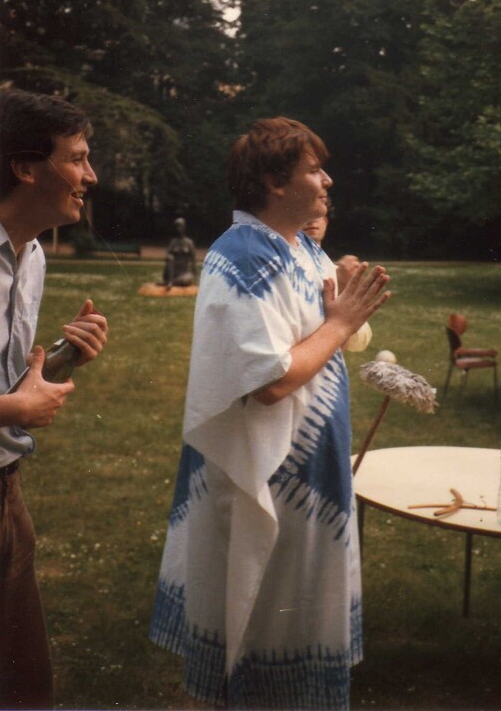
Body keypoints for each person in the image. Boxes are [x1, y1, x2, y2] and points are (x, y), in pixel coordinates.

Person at [150, 117, 391, 710]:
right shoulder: (241, 257)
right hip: (265, 475)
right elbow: (271, 380)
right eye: (315, 169)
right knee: (259, 618)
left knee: (298, 611)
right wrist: (340, 324)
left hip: (307, 472)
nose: (328, 180)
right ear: (275, 182)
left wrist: (343, 314)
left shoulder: (301, 249)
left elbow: (331, 339)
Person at [0, 87, 108, 709]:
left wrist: (66, 357)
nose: (90, 177)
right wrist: (11, 411)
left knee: (26, 684)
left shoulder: (32, 255)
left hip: (7, 493)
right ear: (25, 167)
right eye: (77, 159)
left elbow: (12, 381)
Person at [302, 213, 372, 352]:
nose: (311, 220)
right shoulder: (290, 272)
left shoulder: (338, 271)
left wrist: (350, 295)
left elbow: (360, 341)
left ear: (325, 222)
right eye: (305, 213)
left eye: (317, 215)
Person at [161, 217, 197, 287]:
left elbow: (193, 261)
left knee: (187, 279)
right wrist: (169, 257)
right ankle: (170, 281)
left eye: (180, 226)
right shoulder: (173, 242)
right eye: (177, 226)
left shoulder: (189, 243)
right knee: (170, 257)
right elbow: (167, 256)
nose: (178, 228)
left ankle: (171, 282)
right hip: (172, 273)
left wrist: (196, 278)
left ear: (184, 228)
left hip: (184, 273)